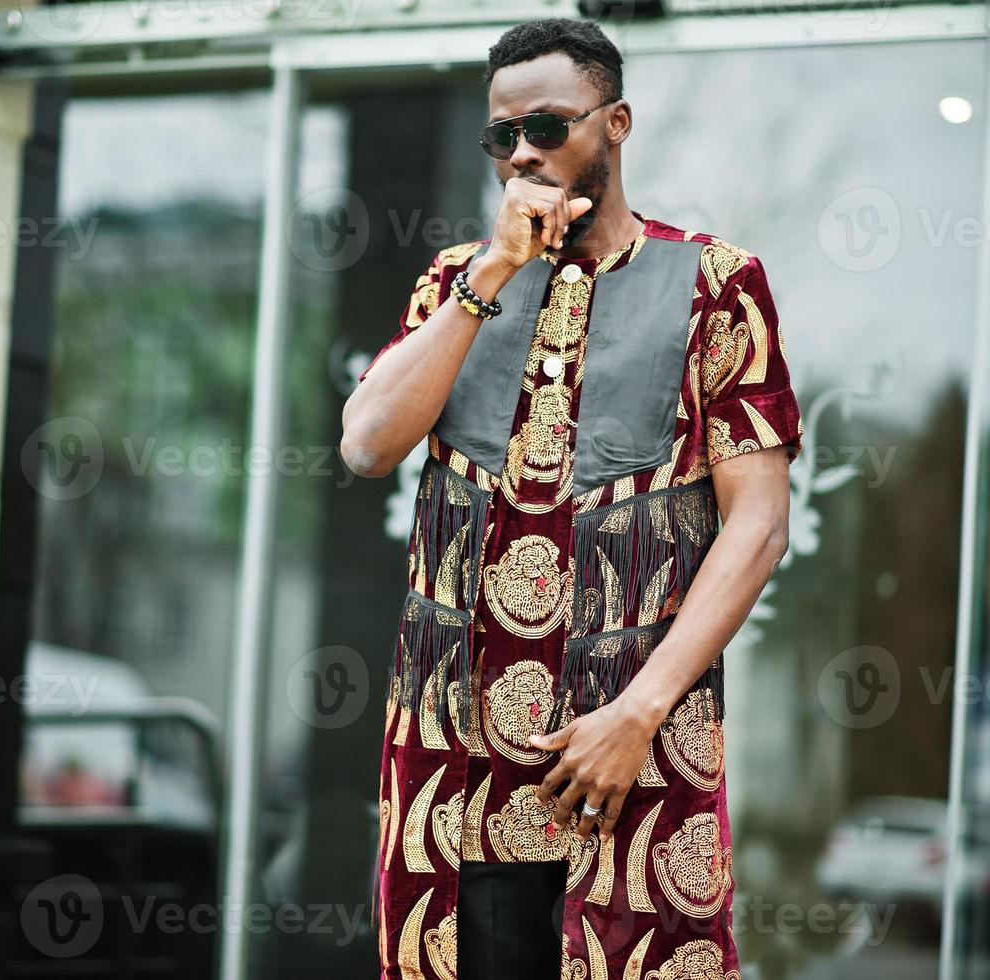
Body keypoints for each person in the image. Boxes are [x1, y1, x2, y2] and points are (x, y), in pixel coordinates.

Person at [341, 17, 803, 980]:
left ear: (617, 122)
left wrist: (637, 714)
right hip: (453, 769)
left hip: (621, 760)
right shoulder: (456, 282)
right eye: (499, 137)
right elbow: (366, 444)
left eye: (545, 127)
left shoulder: (713, 283)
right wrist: (492, 272)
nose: (521, 155)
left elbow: (755, 525)